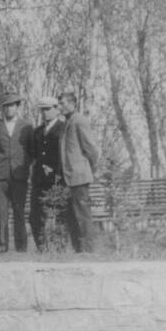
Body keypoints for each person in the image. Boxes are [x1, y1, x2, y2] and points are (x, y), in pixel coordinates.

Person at [0, 92, 34, 253]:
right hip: (0, 175)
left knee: (19, 210)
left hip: (19, 175)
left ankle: (21, 247)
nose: (9, 109)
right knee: (1, 211)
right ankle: (1, 246)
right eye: (6, 106)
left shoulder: (26, 126)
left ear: (17, 107)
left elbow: (31, 150)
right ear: (2, 108)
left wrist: (24, 164)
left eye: (12, 105)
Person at [58, 92, 100, 253]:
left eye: (62, 103)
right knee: (72, 216)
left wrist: (90, 169)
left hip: (79, 177)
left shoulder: (79, 121)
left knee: (83, 215)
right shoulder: (67, 122)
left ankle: (90, 251)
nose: (60, 107)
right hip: (69, 177)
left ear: (72, 104)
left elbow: (92, 149)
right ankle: (79, 250)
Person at [27, 97, 64, 251]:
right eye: (42, 109)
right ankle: (42, 248)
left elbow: (65, 155)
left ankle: (59, 248)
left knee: (59, 216)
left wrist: (56, 171)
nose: (45, 112)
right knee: (35, 217)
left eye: (48, 109)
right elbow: (33, 155)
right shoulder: (37, 131)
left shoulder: (64, 129)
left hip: (57, 180)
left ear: (56, 109)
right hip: (39, 180)